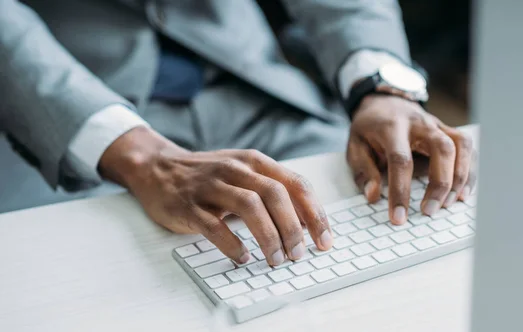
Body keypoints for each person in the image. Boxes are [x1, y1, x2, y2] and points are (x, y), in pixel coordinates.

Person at [0, 0, 476, 267]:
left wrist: (381, 87)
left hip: (255, 91)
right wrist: (141, 157)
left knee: (420, 236)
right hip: (61, 122)